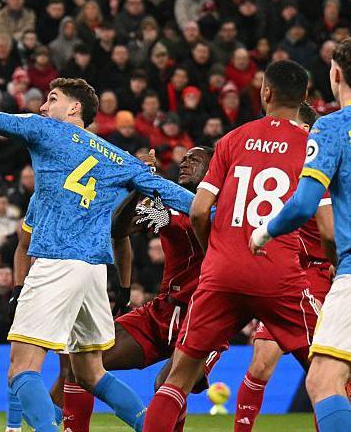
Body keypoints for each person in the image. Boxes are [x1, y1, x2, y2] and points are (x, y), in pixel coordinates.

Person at [0, 78, 194, 432]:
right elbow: (167, 190)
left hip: (57, 261)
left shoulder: (46, 130)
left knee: (22, 368)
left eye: (52, 99)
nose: (44, 107)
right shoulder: (117, 156)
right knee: (90, 372)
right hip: (94, 272)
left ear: (75, 107)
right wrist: (220, 214)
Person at [143, 60, 318, 432]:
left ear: (265, 92)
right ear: (304, 97)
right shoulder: (311, 146)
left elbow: (199, 210)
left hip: (222, 271)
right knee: (326, 372)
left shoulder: (232, 139)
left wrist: (215, 251)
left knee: (177, 379)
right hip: (278, 273)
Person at [61, 147, 225, 432]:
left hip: (204, 316)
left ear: (213, 170)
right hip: (163, 311)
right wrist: (139, 183)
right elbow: (119, 229)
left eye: (195, 160)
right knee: (83, 364)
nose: (185, 163)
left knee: (166, 385)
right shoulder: (165, 207)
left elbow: (196, 225)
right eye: (183, 159)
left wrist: (168, 218)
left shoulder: (224, 209)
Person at [250, 40, 351, 432]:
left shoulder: (331, 128)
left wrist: (264, 232)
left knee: (323, 379)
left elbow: (303, 204)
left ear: (336, 74)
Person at [234, 103, 335, 432]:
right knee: (261, 362)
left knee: (325, 371)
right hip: (289, 274)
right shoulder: (281, 168)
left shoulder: (325, 168)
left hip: (324, 273)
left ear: (305, 131)